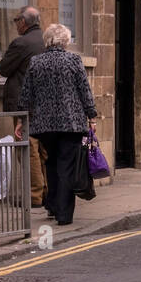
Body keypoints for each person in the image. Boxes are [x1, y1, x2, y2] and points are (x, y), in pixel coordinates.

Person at [20, 23, 98, 226]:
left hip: (44, 125)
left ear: (47, 40)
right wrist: (92, 116)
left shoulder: (35, 62)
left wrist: (22, 120)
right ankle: (64, 214)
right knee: (66, 167)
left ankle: (53, 207)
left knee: (51, 164)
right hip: (70, 123)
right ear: (65, 41)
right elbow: (84, 91)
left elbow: (26, 94)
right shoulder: (73, 60)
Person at [0, 6, 47, 208]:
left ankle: (35, 196)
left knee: (28, 150)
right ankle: (46, 192)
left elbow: (3, 68)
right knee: (43, 151)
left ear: (23, 22)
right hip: (44, 104)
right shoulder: (46, 39)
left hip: (24, 105)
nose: (15, 23)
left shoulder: (21, 43)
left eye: (16, 20)